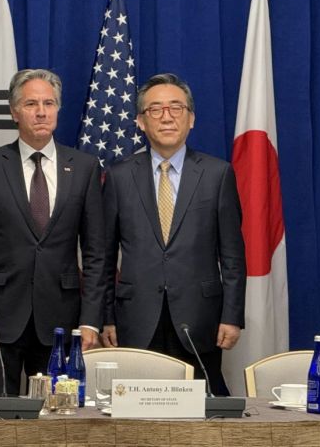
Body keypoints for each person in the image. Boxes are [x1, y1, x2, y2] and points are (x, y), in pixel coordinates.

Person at [0, 68, 105, 395]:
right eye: (31, 104)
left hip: (62, 323)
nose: (41, 111)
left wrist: (91, 320)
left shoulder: (84, 167)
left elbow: (96, 254)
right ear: (14, 112)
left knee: (57, 423)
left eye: (49, 103)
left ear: (58, 109)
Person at [101, 73, 246, 395]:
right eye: (155, 109)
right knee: (135, 414)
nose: (166, 117)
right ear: (140, 121)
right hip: (135, 317)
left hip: (200, 317)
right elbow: (105, 256)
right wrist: (106, 318)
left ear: (191, 119)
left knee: (200, 417)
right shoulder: (119, 175)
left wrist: (232, 316)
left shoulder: (216, 174)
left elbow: (233, 256)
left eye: (176, 108)